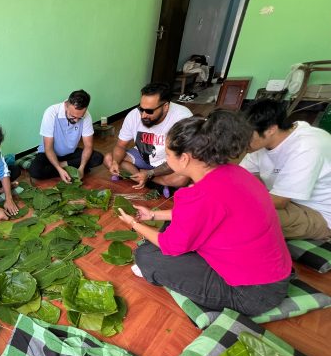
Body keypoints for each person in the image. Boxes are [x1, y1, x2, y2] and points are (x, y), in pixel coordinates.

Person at [118, 111, 292, 316]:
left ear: (184, 159)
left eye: (168, 152)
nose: (166, 157)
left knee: (145, 256)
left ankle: (158, 270)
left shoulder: (198, 196)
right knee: (169, 230)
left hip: (252, 293)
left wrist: (134, 224)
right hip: (274, 272)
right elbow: (198, 215)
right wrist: (153, 215)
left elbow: (171, 245)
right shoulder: (235, 173)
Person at [240, 98, 331, 240]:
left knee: (243, 216)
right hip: (285, 201)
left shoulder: (306, 146)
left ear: (271, 129)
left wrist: (230, 198)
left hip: (317, 214)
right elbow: (241, 176)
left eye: (247, 136)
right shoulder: (262, 143)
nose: (240, 141)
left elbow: (280, 201)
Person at [103, 82, 192, 192]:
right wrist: (116, 162)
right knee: (109, 159)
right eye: (141, 109)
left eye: (149, 111)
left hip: (168, 162)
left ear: (165, 106)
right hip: (143, 157)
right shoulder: (133, 115)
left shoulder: (182, 118)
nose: (143, 115)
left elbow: (180, 158)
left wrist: (150, 173)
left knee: (182, 179)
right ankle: (148, 179)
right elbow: (120, 145)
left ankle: (142, 176)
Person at [28, 89, 103, 182]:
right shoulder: (51, 113)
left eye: (80, 117)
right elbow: (48, 148)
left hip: (70, 154)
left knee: (98, 158)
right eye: (73, 116)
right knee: (35, 171)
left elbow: (88, 146)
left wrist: (82, 167)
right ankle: (67, 168)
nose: (76, 121)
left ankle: (66, 165)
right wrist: (59, 170)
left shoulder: (86, 116)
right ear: (66, 105)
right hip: (50, 153)